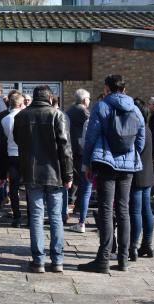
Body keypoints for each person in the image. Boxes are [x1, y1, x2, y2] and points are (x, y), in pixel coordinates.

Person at [78, 75, 145, 273]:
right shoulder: (135, 108)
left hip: (106, 162)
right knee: (123, 210)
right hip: (128, 165)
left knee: (106, 210)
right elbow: (141, 137)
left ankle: (103, 260)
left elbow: (91, 137)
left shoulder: (101, 106)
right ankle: (123, 260)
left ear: (107, 88)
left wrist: (88, 163)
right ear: (124, 89)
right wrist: (132, 154)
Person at [13, 85, 73, 273]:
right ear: (50, 97)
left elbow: (17, 140)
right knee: (56, 217)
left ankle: (38, 260)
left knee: (37, 217)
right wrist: (68, 174)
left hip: (31, 172)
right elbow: (65, 148)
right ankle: (57, 260)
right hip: (54, 172)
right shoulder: (57, 115)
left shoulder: (21, 116)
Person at [129, 98, 154, 261]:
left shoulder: (137, 130)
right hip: (148, 175)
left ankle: (133, 247)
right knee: (147, 211)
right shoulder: (148, 129)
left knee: (136, 212)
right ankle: (147, 244)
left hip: (137, 176)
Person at [66, 89, 91, 233]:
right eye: (88, 99)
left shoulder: (70, 110)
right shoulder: (83, 112)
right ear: (83, 100)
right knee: (84, 182)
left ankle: (73, 202)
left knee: (76, 177)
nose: (89, 101)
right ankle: (79, 207)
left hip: (72, 148)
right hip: (81, 150)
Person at [0, 92, 26, 228]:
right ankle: (31, 215)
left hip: (11, 155)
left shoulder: (5, 119)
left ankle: (17, 217)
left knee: (14, 187)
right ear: (21, 104)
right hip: (25, 155)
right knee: (29, 187)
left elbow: (4, 139)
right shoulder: (26, 118)